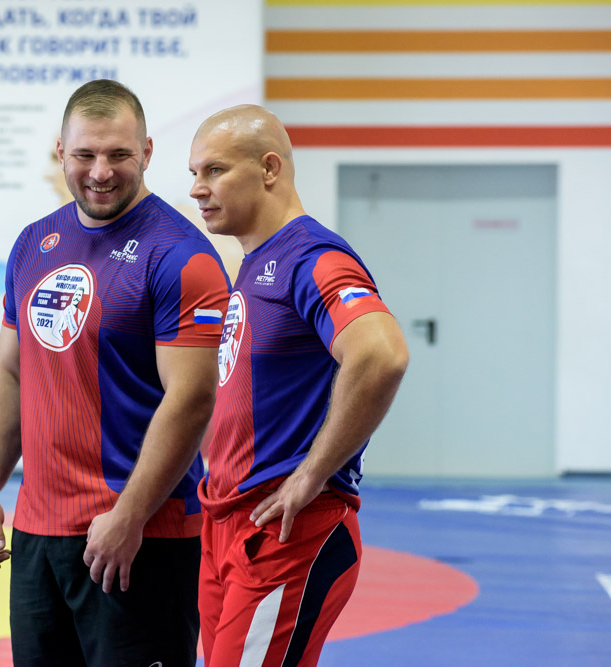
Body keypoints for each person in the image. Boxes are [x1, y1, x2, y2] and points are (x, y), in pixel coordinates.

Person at [0, 79, 231, 667]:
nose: (101, 172)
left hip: (140, 535)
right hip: (39, 535)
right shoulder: (33, 243)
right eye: (85, 154)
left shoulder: (179, 255)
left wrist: (130, 515)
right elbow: (10, 371)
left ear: (148, 152)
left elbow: (191, 399)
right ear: (60, 152)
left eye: (119, 154)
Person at [188, 105, 409, 666]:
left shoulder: (312, 257)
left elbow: (381, 354)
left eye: (214, 170)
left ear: (269, 168)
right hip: (230, 527)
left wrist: (312, 473)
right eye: (194, 173)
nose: (196, 189)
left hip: (286, 533)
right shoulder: (256, 262)